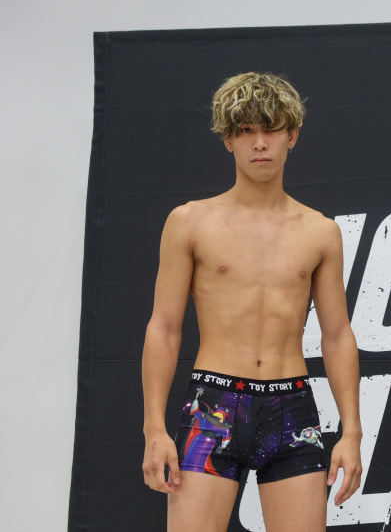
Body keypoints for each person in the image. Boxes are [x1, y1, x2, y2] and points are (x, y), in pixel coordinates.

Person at [140, 72, 362, 532]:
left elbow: (338, 334)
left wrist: (352, 431)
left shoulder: (320, 231)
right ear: (228, 140)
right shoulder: (190, 222)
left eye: (271, 129)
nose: (259, 143)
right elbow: (164, 327)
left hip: (291, 407)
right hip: (214, 405)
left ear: (292, 136)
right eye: (245, 131)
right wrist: (154, 429)